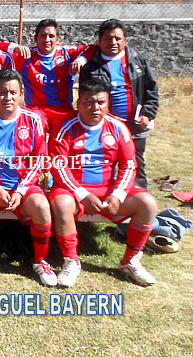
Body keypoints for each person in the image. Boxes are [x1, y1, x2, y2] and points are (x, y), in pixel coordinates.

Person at [49, 78, 157, 287]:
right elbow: (58, 167)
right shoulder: (65, 128)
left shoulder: (118, 128)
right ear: (78, 103)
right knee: (61, 204)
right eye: (88, 102)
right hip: (74, 191)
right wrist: (83, 195)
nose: (95, 107)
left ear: (108, 104)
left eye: (100, 102)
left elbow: (129, 165)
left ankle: (131, 261)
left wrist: (118, 195)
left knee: (148, 204)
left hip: (108, 191)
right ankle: (71, 261)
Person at [0, 69, 56, 287]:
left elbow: (39, 161)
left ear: (21, 94)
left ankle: (40, 261)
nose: (8, 97)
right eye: (2, 92)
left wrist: (20, 191)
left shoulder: (33, 121)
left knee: (42, 207)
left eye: (13, 92)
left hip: (23, 185)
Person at [79, 19, 159, 189]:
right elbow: (85, 99)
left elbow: (151, 90)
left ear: (125, 39)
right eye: (108, 39)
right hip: (104, 127)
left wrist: (147, 114)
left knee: (135, 165)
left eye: (118, 38)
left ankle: (138, 198)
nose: (113, 42)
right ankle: (106, 198)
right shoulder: (91, 66)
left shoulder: (138, 60)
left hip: (135, 126)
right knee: (105, 165)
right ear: (100, 40)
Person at [0, 19, 90, 133]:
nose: (47, 40)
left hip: (63, 111)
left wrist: (80, 60)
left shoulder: (66, 53)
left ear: (58, 39)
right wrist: (15, 47)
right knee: (32, 129)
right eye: (43, 36)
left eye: (51, 36)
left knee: (72, 131)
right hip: (36, 111)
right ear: (35, 38)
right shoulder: (26, 56)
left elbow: (92, 48)